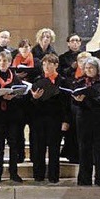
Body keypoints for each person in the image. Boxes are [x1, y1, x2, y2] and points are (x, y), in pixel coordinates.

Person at [28, 54, 71, 183]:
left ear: (56, 65)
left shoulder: (63, 81)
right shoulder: (37, 80)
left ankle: (53, 176)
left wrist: (66, 120)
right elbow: (30, 103)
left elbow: (67, 103)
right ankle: (39, 175)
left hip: (55, 119)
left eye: (49, 64)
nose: (46, 67)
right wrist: (34, 98)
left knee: (54, 149)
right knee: (38, 148)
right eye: (44, 64)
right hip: (39, 119)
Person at [73, 57, 100, 187]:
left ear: (97, 69)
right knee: (84, 149)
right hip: (83, 118)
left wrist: (91, 96)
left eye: (91, 68)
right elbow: (73, 100)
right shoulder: (80, 81)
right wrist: (78, 99)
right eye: (86, 68)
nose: (88, 70)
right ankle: (84, 179)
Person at [0, 51, 24, 183]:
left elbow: (20, 94)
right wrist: (0, 97)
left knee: (13, 145)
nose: (3, 63)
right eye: (1, 61)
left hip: (12, 116)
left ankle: (13, 172)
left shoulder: (15, 77)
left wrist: (13, 97)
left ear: (10, 63)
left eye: (5, 61)